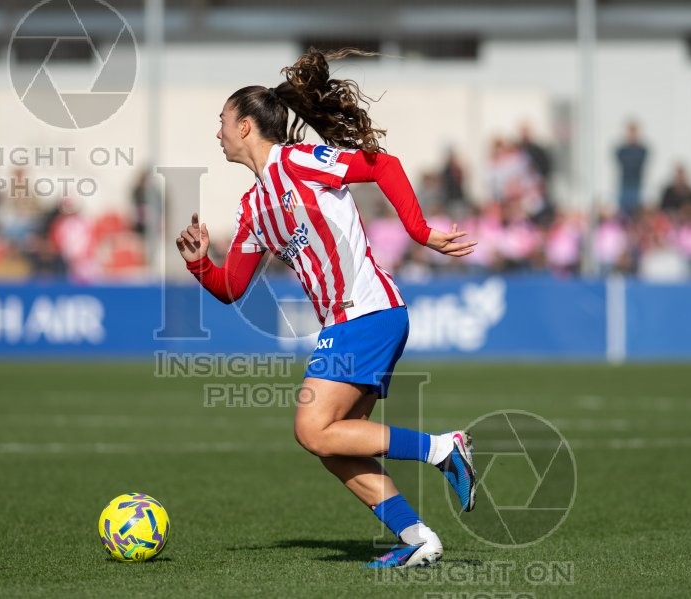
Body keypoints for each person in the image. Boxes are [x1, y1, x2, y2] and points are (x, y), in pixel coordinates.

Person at [175, 49, 478, 569]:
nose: (217, 132)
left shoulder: (298, 161)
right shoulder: (253, 209)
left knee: (312, 429)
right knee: (335, 448)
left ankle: (443, 449)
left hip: (369, 311)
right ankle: (419, 538)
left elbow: (382, 164)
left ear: (246, 126)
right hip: (347, 323)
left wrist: (421, 232)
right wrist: (202, 264)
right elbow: (233, 288)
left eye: (222, 122)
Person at [615, 120, 648, 218]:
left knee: (636, 211)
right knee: (623, 212)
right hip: (625, 183)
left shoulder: (642, 150)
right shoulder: (622, 150)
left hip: (636, 184)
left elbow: (637, 163)